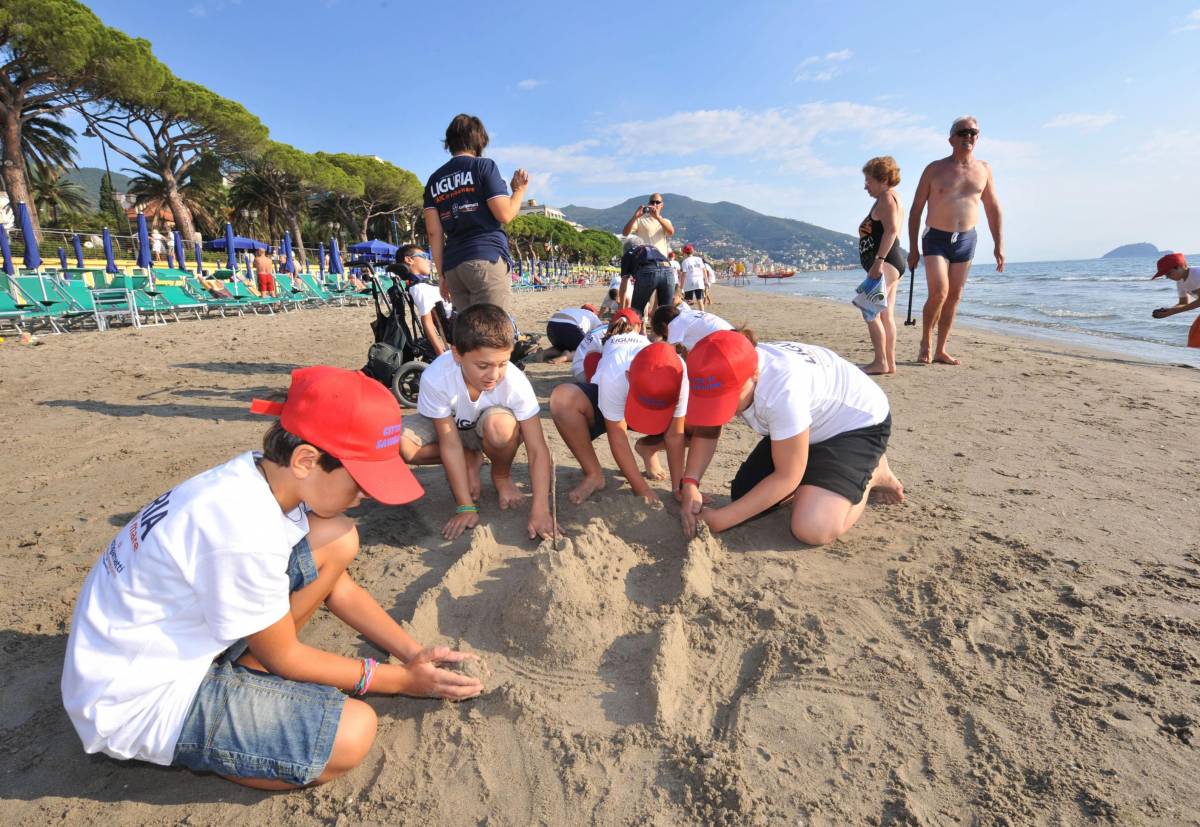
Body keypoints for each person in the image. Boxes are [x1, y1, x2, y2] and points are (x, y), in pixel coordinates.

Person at [61, 367, 483, 791]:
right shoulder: (242, 529)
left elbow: (339, 587)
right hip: (138, 699)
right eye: (361, 483)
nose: (365, 496)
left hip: (162, 640)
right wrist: (404, 683)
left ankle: (247, 671)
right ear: (305, 460)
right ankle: (227, 735)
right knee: (350, 734)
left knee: (336, 538)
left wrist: (412, 654)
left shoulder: (260, 479)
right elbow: (287, 658)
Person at [678, 332, 905, 546]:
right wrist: (690, 483)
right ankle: (815, 475)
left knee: (812, 527)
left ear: (754, 373)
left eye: (727, 398)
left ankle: (875, 470)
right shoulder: (722, 365)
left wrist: (720, 520)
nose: (720, 409)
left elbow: (787, 476)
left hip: (856, 425)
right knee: (745, 496)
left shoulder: (780, 392)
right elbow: (708, 428)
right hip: (805, 424)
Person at [398, 303, 556, 541]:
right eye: (483, 366)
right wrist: (465, 507)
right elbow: (449, 443)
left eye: (502, 363)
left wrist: (541, 509)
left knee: (501, 429)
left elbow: (537, 449)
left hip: (489, 426)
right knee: (402, 446)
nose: (493, 375)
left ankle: (501, 475)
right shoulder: (436, 377)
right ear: (457, 355)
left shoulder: (515, 382)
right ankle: (470, 456)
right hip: (451, 429)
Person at [550, 309, 682, 504]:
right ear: (639, 327)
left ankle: (648, 448)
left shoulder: (678, 368)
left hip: (651, 401)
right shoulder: (614, 373)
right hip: (618, 395)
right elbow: (618, 436)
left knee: (698, 424)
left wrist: (681, 488)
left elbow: (676, 433)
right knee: (563, 399)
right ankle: (594, 474)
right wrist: (641, 489)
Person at [907, 115, 1005, 365]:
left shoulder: (984, 169)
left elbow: (993, 208)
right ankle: (926, 342)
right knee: (939, 292)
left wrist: (998, 244)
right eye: (963, 133)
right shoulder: (934, 169)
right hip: (936, 237)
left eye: (973, 132)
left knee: (955, 296)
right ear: (951, 139)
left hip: (966, 239)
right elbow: (916, 209)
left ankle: (941, 349)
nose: (968, 137)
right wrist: (913, 249)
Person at [423, 114, 529, 313]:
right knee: (492, 332)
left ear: (450, 142)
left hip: (454, 266)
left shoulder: (433, 181)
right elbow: (504, 214)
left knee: (469, 335)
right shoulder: (483, 166)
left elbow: (433, 233)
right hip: (485, 257)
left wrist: (442, 274)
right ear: (479, 141)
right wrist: (519, 191)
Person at [857, 156, 907, 375]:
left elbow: (892, 230)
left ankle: (880, 362)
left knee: (869, 308)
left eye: (869, 180)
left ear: (883, 179)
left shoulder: (887, 197)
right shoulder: (888, 197)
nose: (865, 185)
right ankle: (890, 363)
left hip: (886, 262)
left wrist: (878, 261)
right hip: (892, 262)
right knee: (885, 314)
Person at [389, 245, 453, 356]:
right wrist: (440, 352)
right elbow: (426, 321)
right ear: (409, 260)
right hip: (457, 326)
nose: (428, 260)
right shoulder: (419, 288)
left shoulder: (426, 284)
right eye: (424, 256)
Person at [618, 239, 674, 319]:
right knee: (666, 312)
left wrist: (621, 308)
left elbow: (624, 283)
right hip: (669, 270)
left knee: (636, 311)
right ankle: (664, 330)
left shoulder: (629, 253)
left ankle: (636, 329)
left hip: (647, 270)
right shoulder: (653, 248)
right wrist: (654, 309)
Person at [650, 301, 733, 353]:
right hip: (735, 336)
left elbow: (667, 353)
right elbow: (685, 351)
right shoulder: (687, 313)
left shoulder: (674, 324)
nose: (665, 336)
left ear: (664, 326)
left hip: (727, 346)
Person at [1150, 253, 1200, 322]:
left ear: (1182, 266)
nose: (1167, 277)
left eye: (1169, 273)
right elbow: (1183, 302)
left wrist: (1173, 311)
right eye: (1165, 275)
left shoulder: (1197, 274)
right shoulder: (1180, 281)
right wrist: (1168, 311)